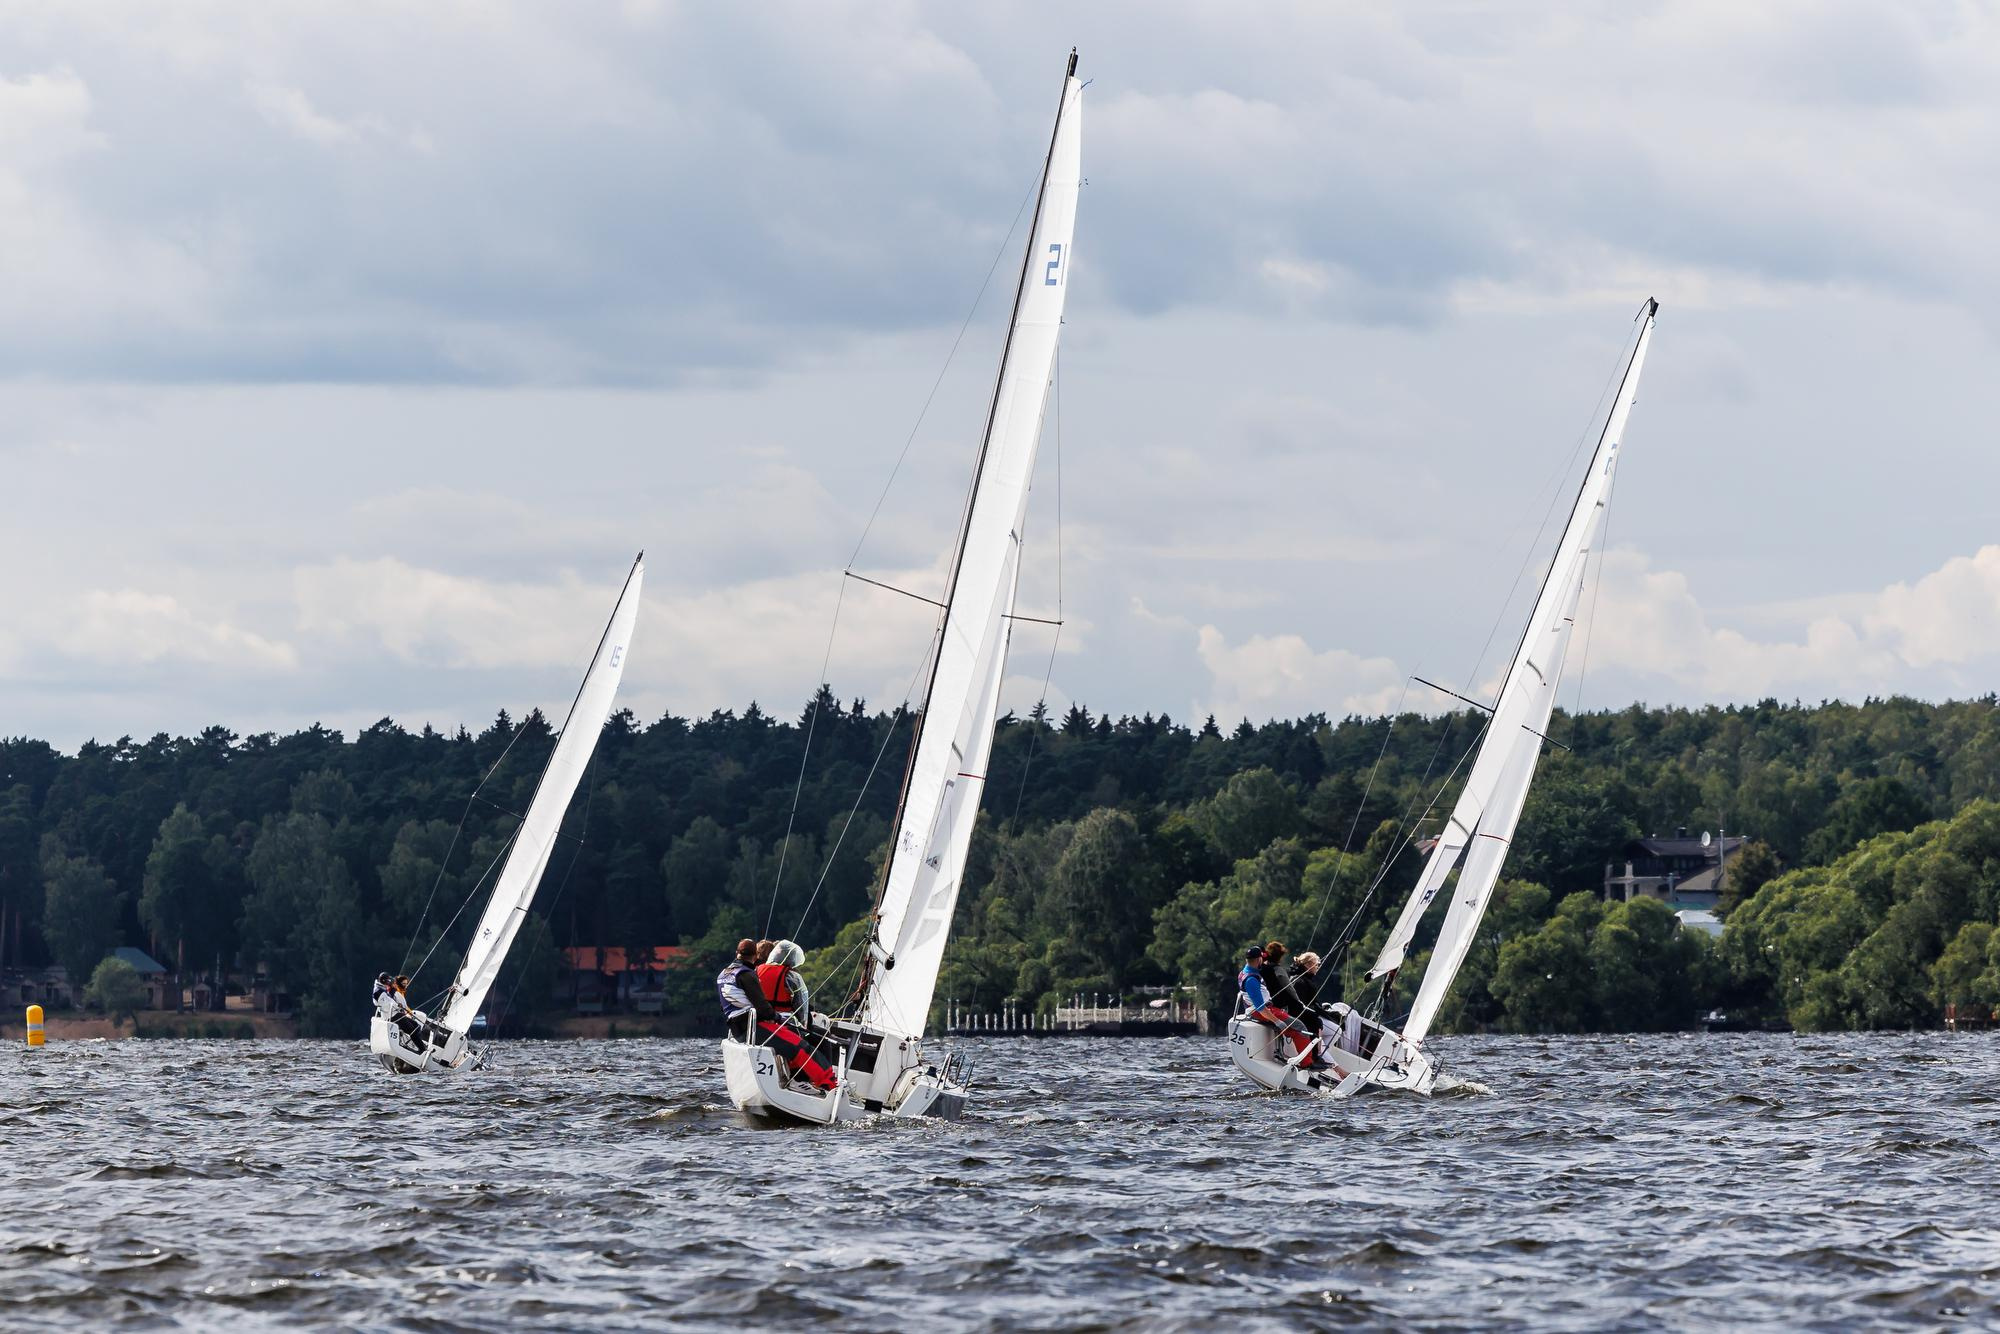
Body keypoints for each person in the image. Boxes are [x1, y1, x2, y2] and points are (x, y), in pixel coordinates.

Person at [717, 938, 838, 1092]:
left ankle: (802, 1080)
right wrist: (777, 1017)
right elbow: (764, 1008)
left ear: (737, 953)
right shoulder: (747, 974)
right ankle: (829, 1085)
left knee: (794, 1043)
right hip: (756, 1025)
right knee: (802, 1047)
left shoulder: (724, 974)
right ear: (754, 955)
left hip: (738, 1029)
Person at [1238, 945, 1314, 1064]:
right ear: (1259, 960)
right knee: (1300, 1027)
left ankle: (1290, 1055)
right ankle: (1307, 1063)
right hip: (1262, 1012)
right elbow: (1261, 1008)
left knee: (1293, 1028)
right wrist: (1277, 1021)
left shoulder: (1245, 972)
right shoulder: (1251, 980)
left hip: (1263, 1009)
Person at [755, 940, 810, 1024]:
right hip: (783, 1021)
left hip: (758, 1019)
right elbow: (801, 1005)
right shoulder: (793, 977)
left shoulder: (757, 970)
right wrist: (803, 1024)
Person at [372, 971, 426, 1048]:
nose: (390, 982)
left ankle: (416, 1045)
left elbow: (389, 1002)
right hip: (393, 1016)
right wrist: (398, 1006)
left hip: (396, 1014)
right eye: (388, 980)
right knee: (412, 1030)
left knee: (416, 1026)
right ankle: (422, 1049)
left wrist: (399, 1007)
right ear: (384, 981)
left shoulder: (382, 989)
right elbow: (387, 1005)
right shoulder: (379, 992)